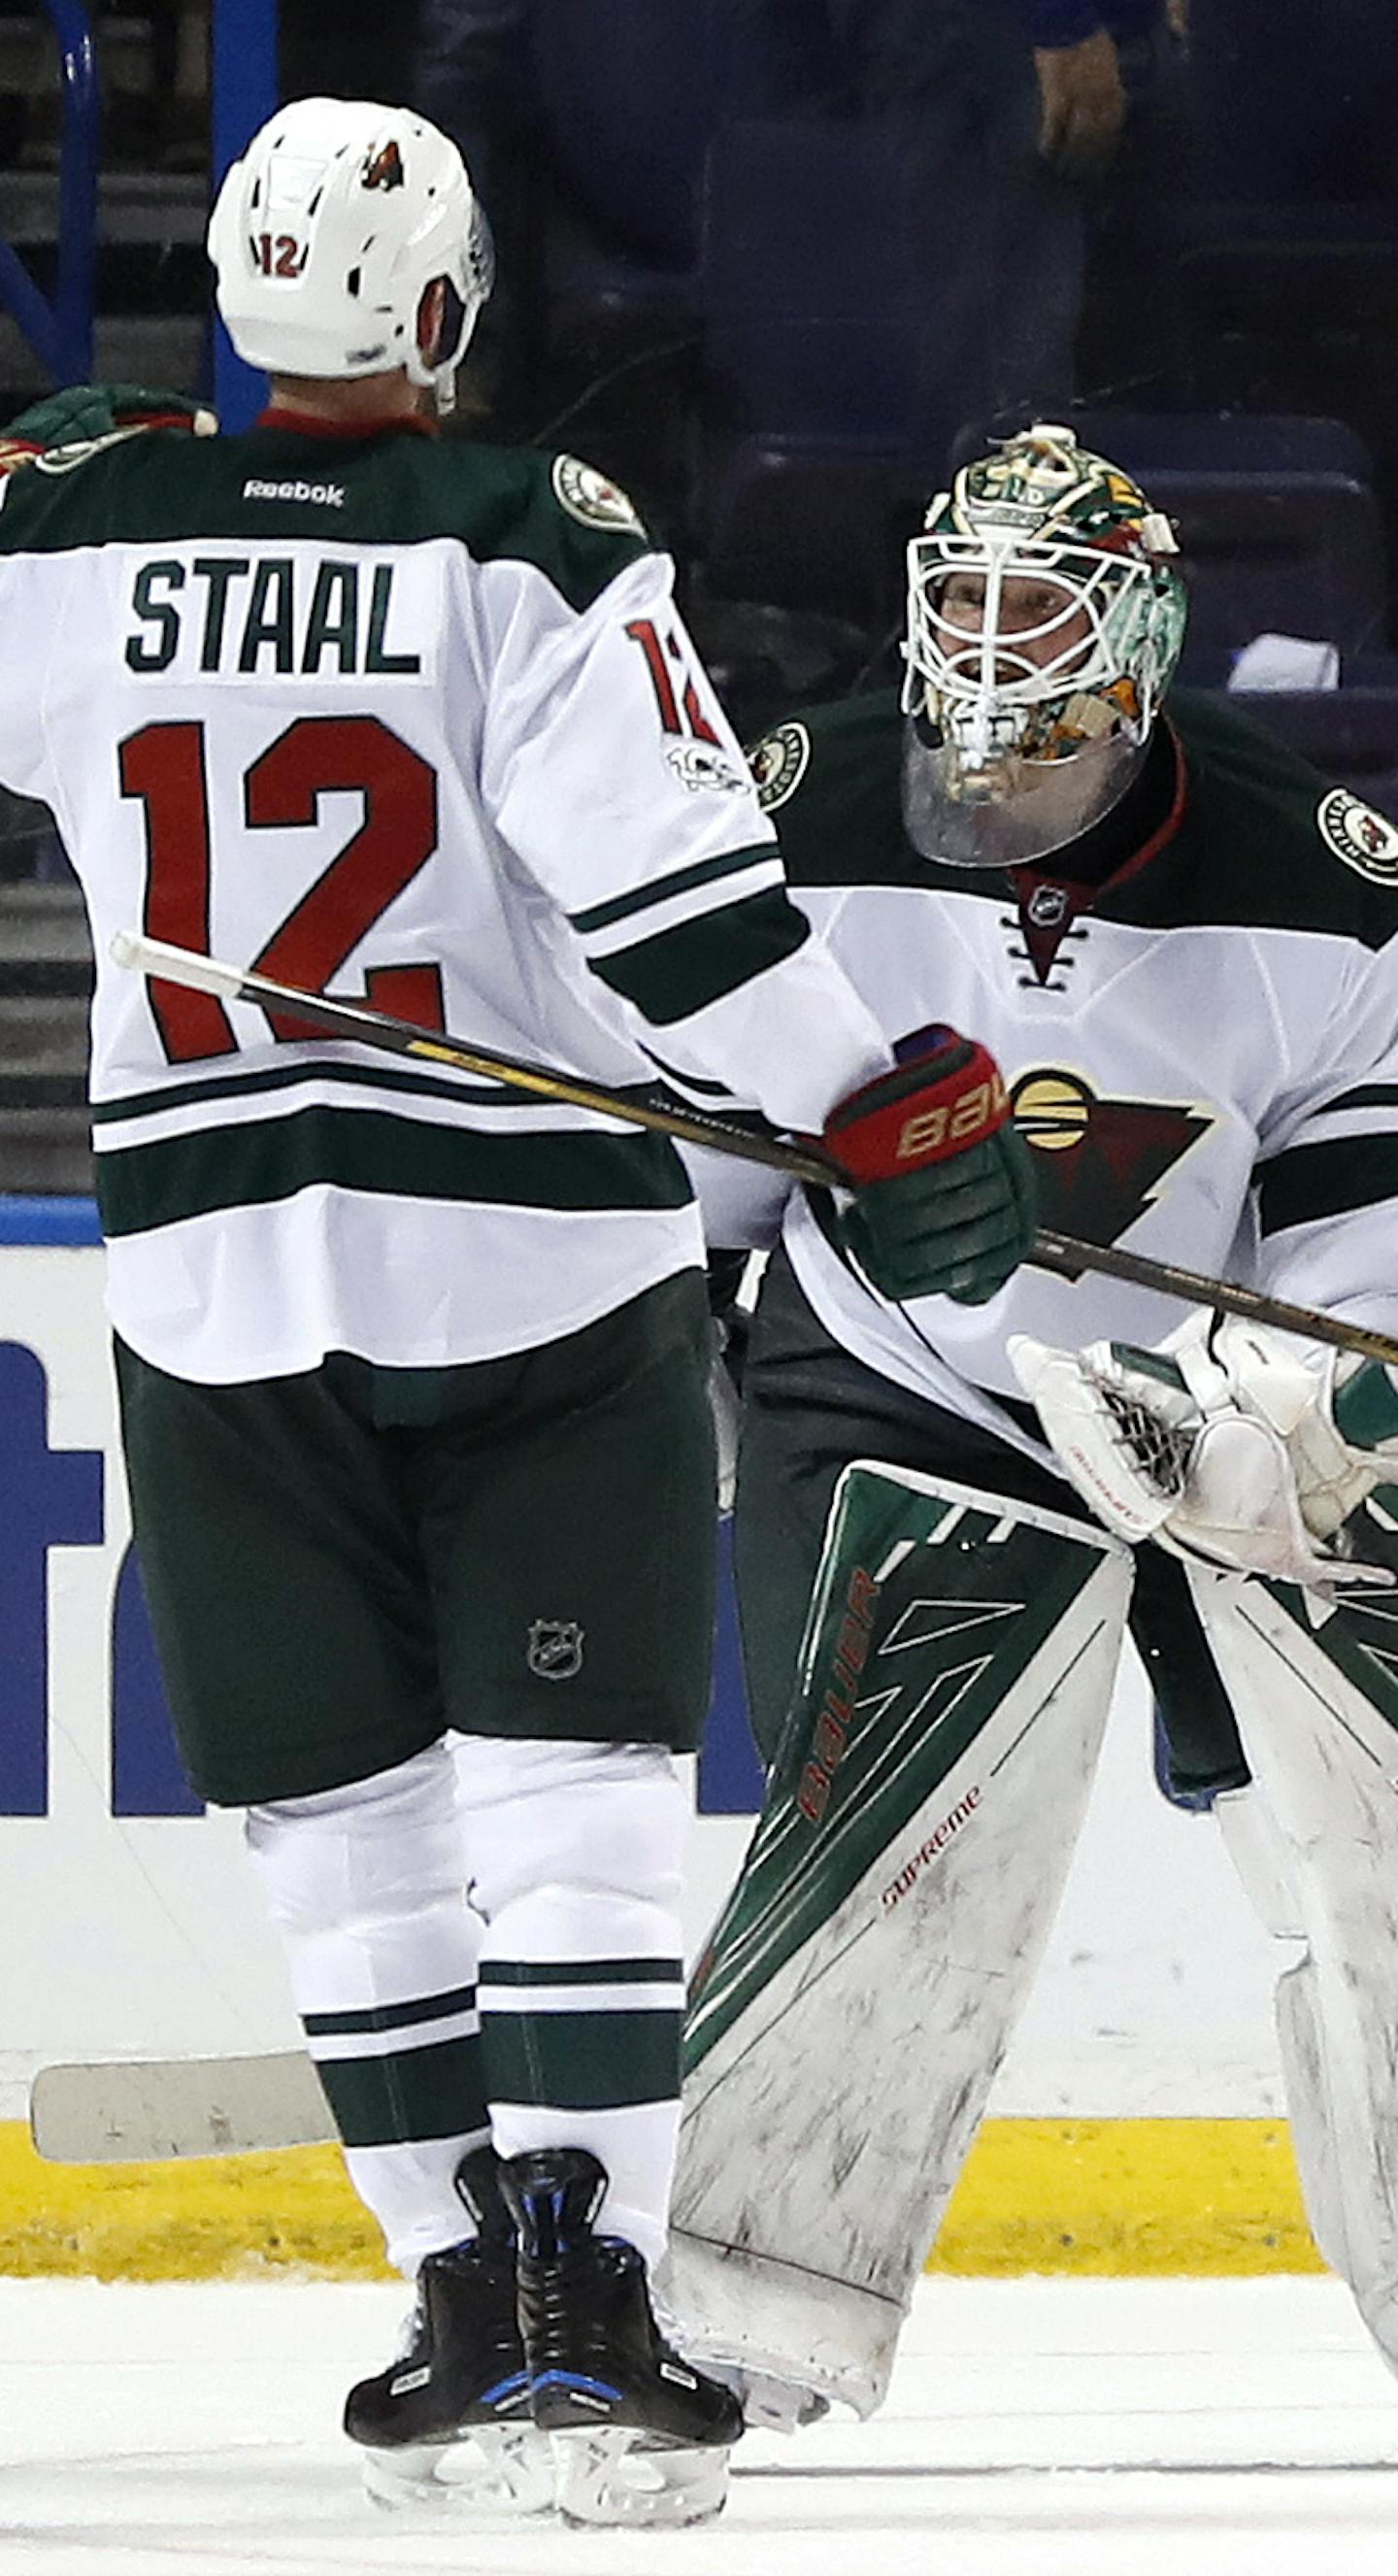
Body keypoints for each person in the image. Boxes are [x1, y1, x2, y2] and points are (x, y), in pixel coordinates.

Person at [0, 97, 1036, 2527]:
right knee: (564, 1806)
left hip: (212, 1268)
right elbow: (682, 924)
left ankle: (452, 2305)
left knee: (336, 1820)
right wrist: (879, 1102)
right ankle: (596, 2306)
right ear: (447, 315)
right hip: (531, 1257)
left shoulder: (66, 536)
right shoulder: (519, 538)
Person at [665, 418, 1398, 2424]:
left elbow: (1357, 1270)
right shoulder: (792, 811)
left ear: (1139, 648)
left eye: (1035, 608)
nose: (988, 654)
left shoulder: (1321, 892)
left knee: (1385, 1807)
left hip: (1193, 1422)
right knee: (898, 1784)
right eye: (962, 601)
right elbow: (689, 1196)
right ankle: (754, 2295)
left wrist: (1277, 1421)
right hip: (891, 1380)